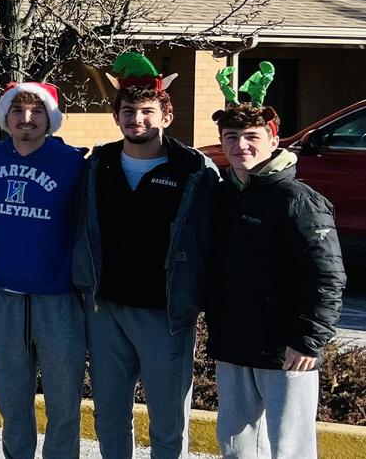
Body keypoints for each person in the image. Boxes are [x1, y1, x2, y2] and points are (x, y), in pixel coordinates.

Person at [73, 52, 217, 459]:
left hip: (164, 314)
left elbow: (212, 239)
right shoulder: (97, 165)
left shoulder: (195, 171)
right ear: (116, 117)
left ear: (166, 116)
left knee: (167, 422)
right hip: (105, 310)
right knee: (109, 416)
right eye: (129, 112)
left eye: (147, 112)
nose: (137, 119)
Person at [204, 95, 345, 458]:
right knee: (236, 445)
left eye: (251, 136)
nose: (241, 145)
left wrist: (308, 340)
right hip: (233, 344)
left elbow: (327, 276)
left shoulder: (299, 200)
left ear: (273, 139)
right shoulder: (222, 196)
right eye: (232, 136)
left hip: (288, 350)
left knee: (290, 448)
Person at [0, 83, 87, 459]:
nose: (26, 119)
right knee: (11, 403)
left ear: (50, 119)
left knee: (64, 405)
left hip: (58, 301)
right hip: (4, 298)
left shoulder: (73, 163)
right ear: (5, 118)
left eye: (36, 111)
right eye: (18, 111)